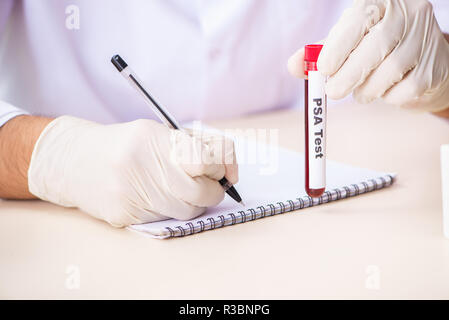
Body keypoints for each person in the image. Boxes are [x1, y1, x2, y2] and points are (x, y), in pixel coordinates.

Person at [0, 0, 448, 227]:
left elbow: (432, 51)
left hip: (341, 216)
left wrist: (443, 80)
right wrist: (54, 157)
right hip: (58, 225)